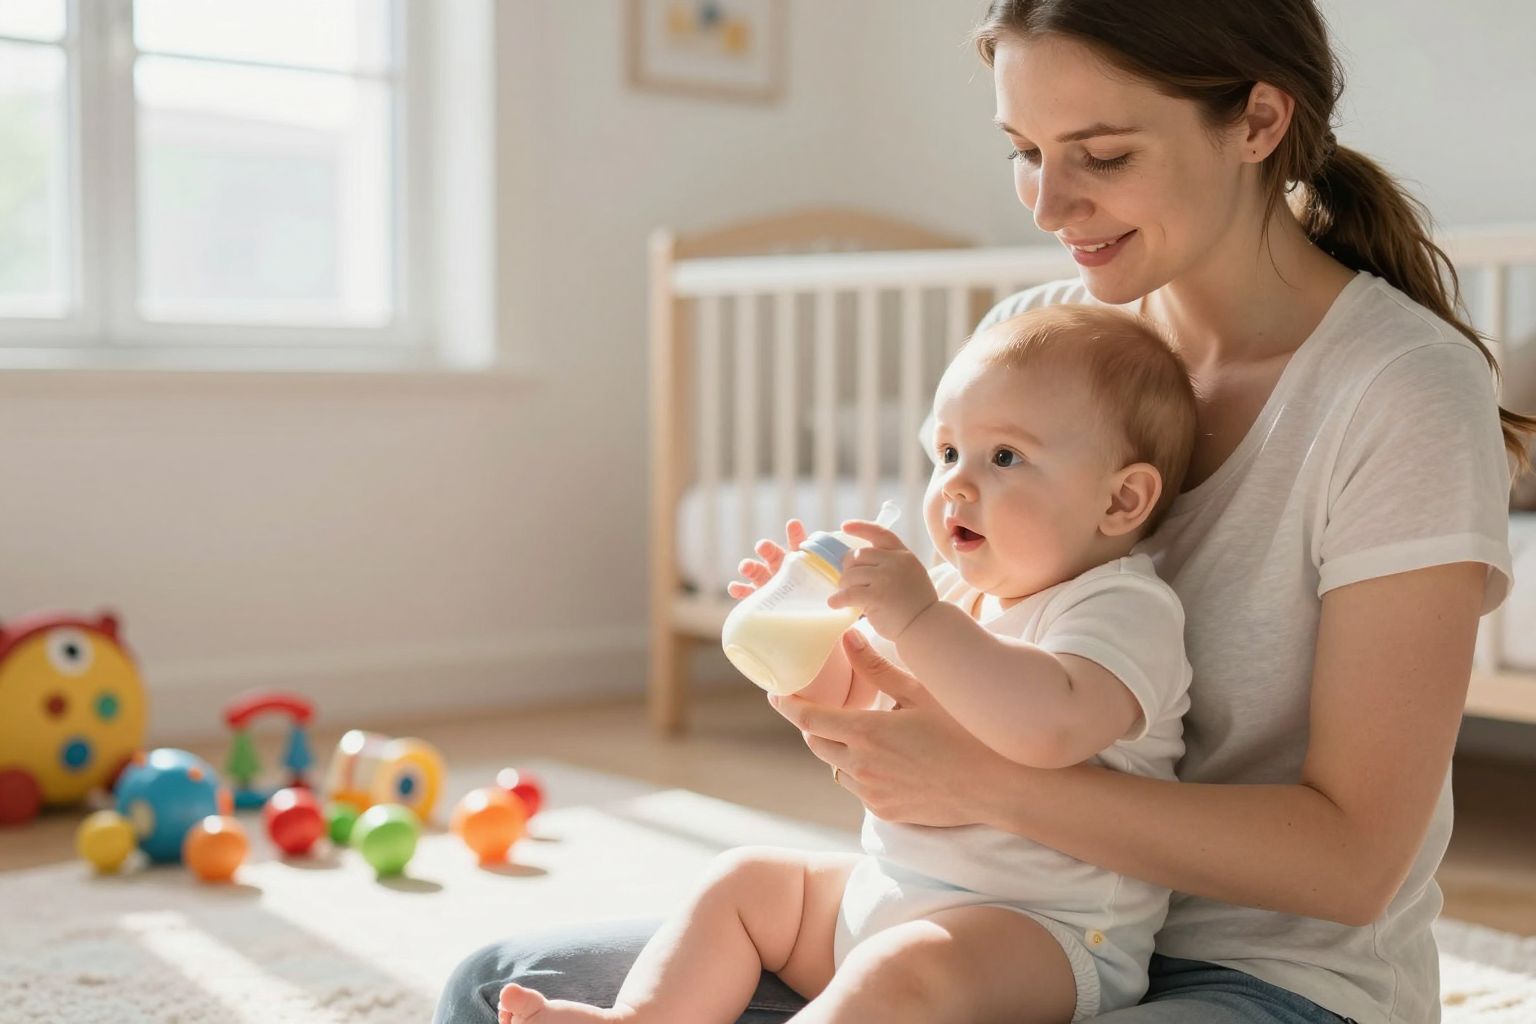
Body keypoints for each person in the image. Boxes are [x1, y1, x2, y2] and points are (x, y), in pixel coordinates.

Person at [435, 0, 1529, 1021]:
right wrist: (836, 676)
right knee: (504, 981)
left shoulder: (1399, 390)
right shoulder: (1042, 332)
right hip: (977, 910)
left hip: (1264, 972)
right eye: (1024, 152)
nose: (1051, 206)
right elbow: (960, 631)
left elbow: (1350, 863)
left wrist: (979, 782)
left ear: (1257, 119)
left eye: (1102, 156)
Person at [497, 305, 1199, 1024]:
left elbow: (1047, 727)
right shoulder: (957, 595)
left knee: (896, 972)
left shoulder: (1121, 607)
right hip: (890, 890)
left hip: (1047, 935)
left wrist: (920, 619)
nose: (956, 485)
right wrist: (805, 639)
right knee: (747, 881)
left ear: (1121, 499)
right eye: (949, 453)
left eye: (1005, 458)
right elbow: (857, 701)